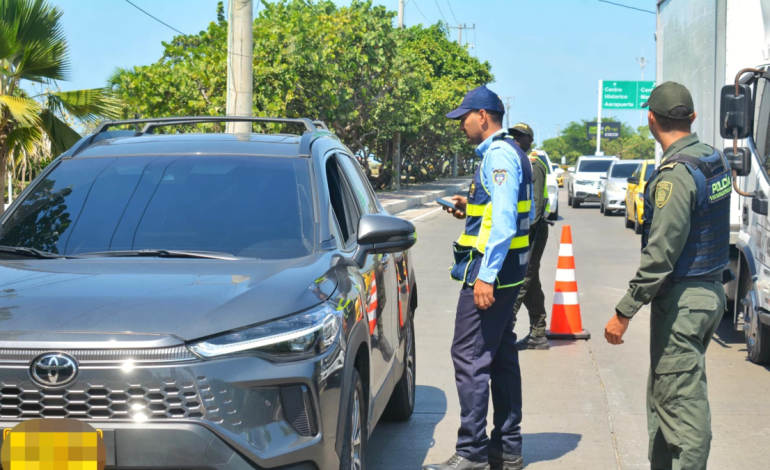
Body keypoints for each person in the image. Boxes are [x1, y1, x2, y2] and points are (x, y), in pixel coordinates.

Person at [604, 81, 730, 470]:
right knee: (666, 395)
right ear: (692, 117)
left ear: (650, 119)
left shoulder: (675, 175)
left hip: (684, 302)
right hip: (709, 291)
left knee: (682, 409)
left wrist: (624, 311)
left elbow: (660, 255)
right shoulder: (713, 159)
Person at [424, 85, 533, 470]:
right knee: (500, 355)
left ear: (482, 116)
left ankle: (471, 451)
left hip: (492, 275)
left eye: (464, 118)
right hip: (510, 272)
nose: (461, 126)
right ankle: (507, 447)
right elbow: (497, 209)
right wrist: (468, 206)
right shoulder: (512, 151)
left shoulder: (498, 155)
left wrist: (485, 277)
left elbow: (503, 222)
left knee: (469, 356)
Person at [509, 123, 551, 351]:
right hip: (523, 232)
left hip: (531, 232)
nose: (515, 138)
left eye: (521, 135)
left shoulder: (533, 165)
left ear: (530, 141)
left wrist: (520, 235)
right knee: (530, 282)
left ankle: (502, 331)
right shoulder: (519, 161)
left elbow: (534, 209)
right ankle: (538, 333)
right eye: (513, 134)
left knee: (520, 280)